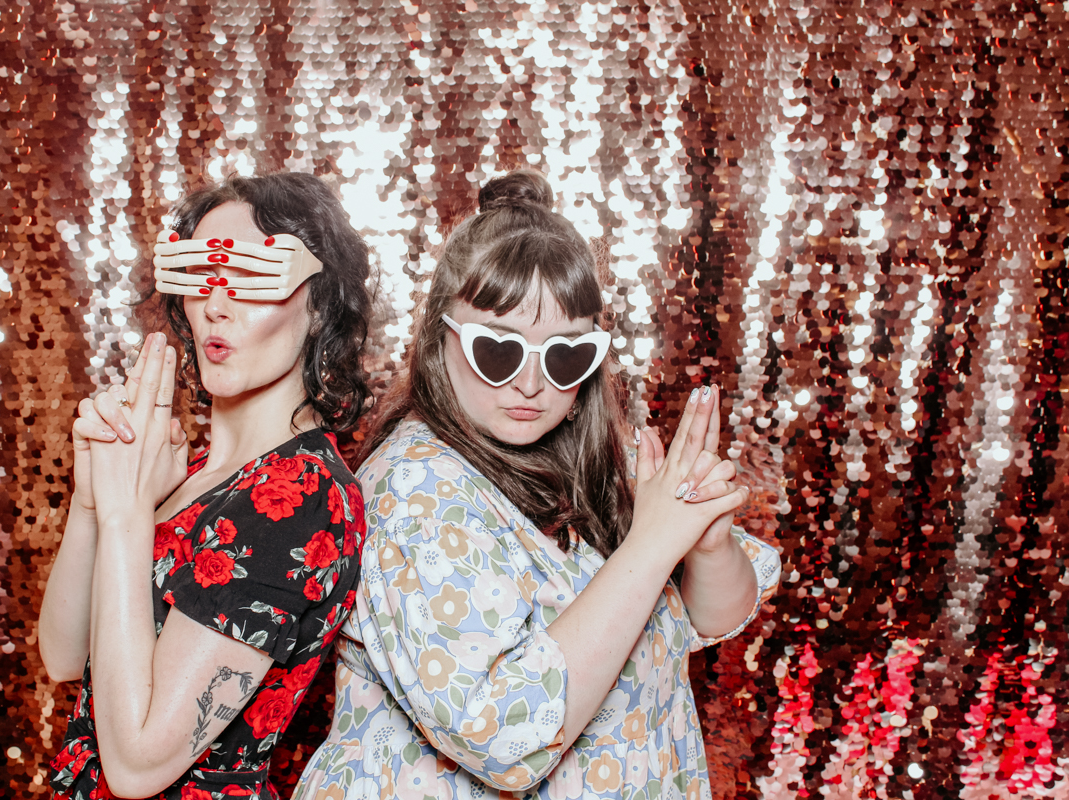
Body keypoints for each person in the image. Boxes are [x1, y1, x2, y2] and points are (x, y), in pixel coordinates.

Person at [293, 170, 781, 799]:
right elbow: (502, 740)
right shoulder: (415, 488)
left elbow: (710, 619)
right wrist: (653, 545)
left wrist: (706, 541)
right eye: (498, 351)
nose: (531, 383)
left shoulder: (597, 459)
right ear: (442, 342)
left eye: (563, 356)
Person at [38, 173, 372, 800]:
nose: (217, 303)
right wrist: (94, 502)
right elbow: (63, 654)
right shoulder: (194, 474)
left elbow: (137, 766)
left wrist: (127, 515)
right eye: (200, 273)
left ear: (320, 303)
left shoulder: (298, 499)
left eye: (252, 275)